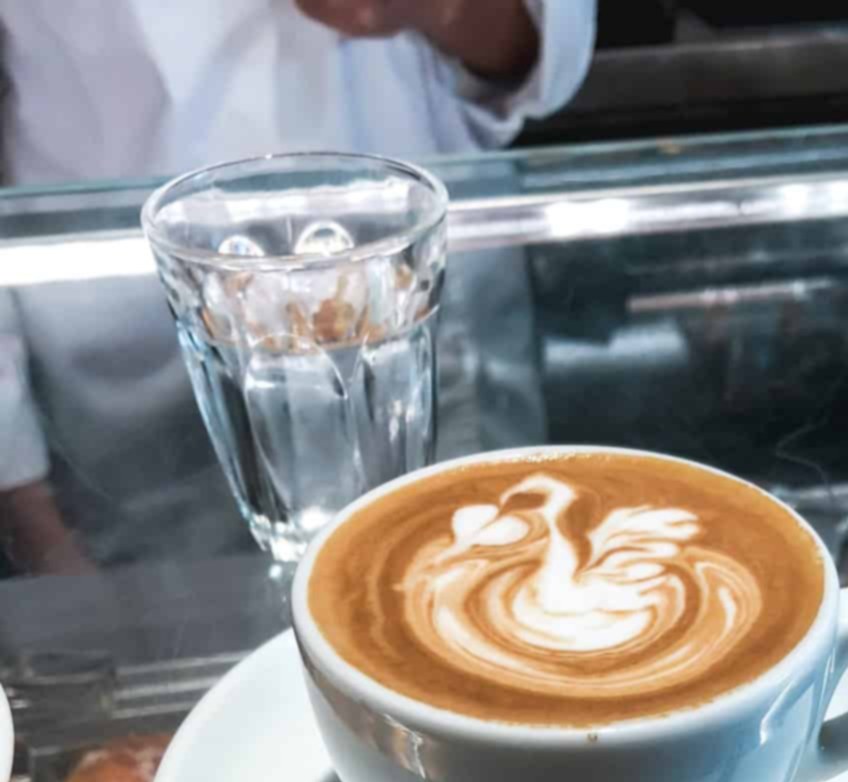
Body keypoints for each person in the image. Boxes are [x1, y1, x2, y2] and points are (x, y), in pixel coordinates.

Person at [0, 1, 596, 571]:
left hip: (423, 311)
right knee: (193, 643)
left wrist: (444, 7)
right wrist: (31, 513)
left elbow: (545, 55)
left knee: (474, 593)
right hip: (133, 354)